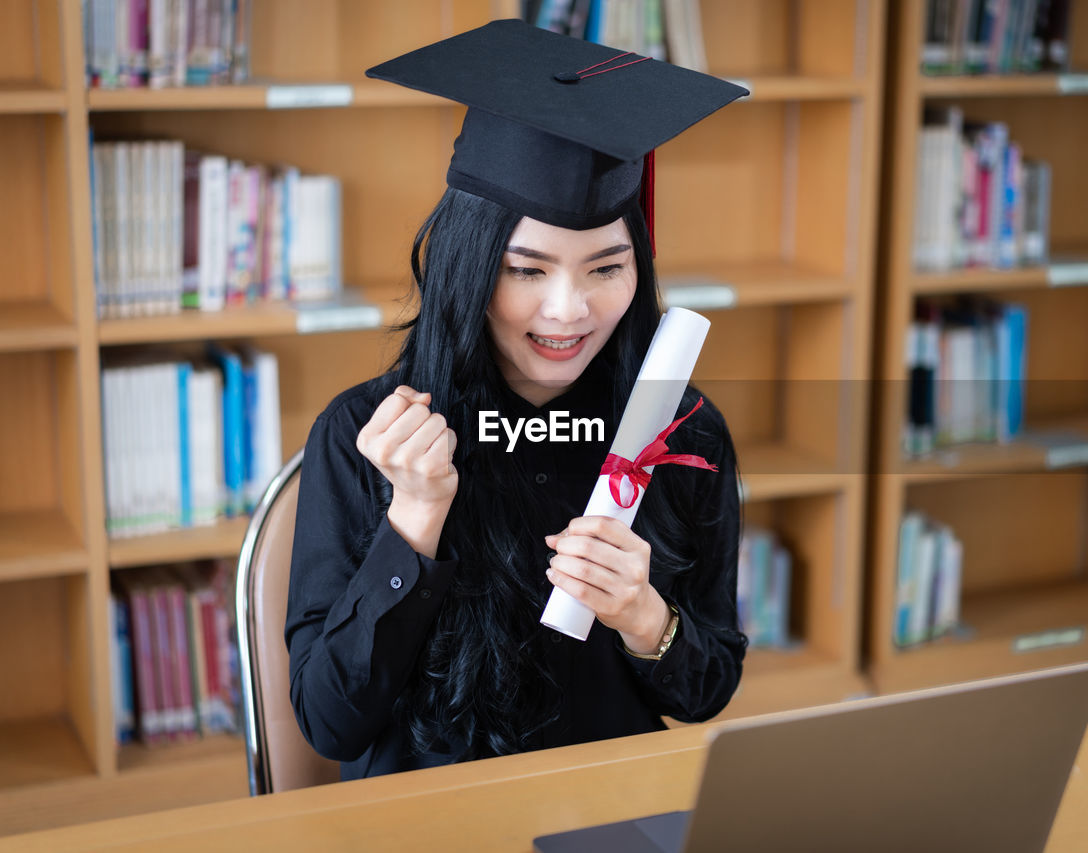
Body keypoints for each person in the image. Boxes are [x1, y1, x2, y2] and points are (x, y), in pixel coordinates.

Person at [285, 19, 751, 780]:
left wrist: (643, 616)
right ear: (470, 269)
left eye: (606, 268)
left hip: (605, 813)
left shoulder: (680, 431)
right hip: (427, 821)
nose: (569, 310)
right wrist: (413, 522)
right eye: (527, 270)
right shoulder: (363, 436)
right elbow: (332, 721)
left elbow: (707, 693)